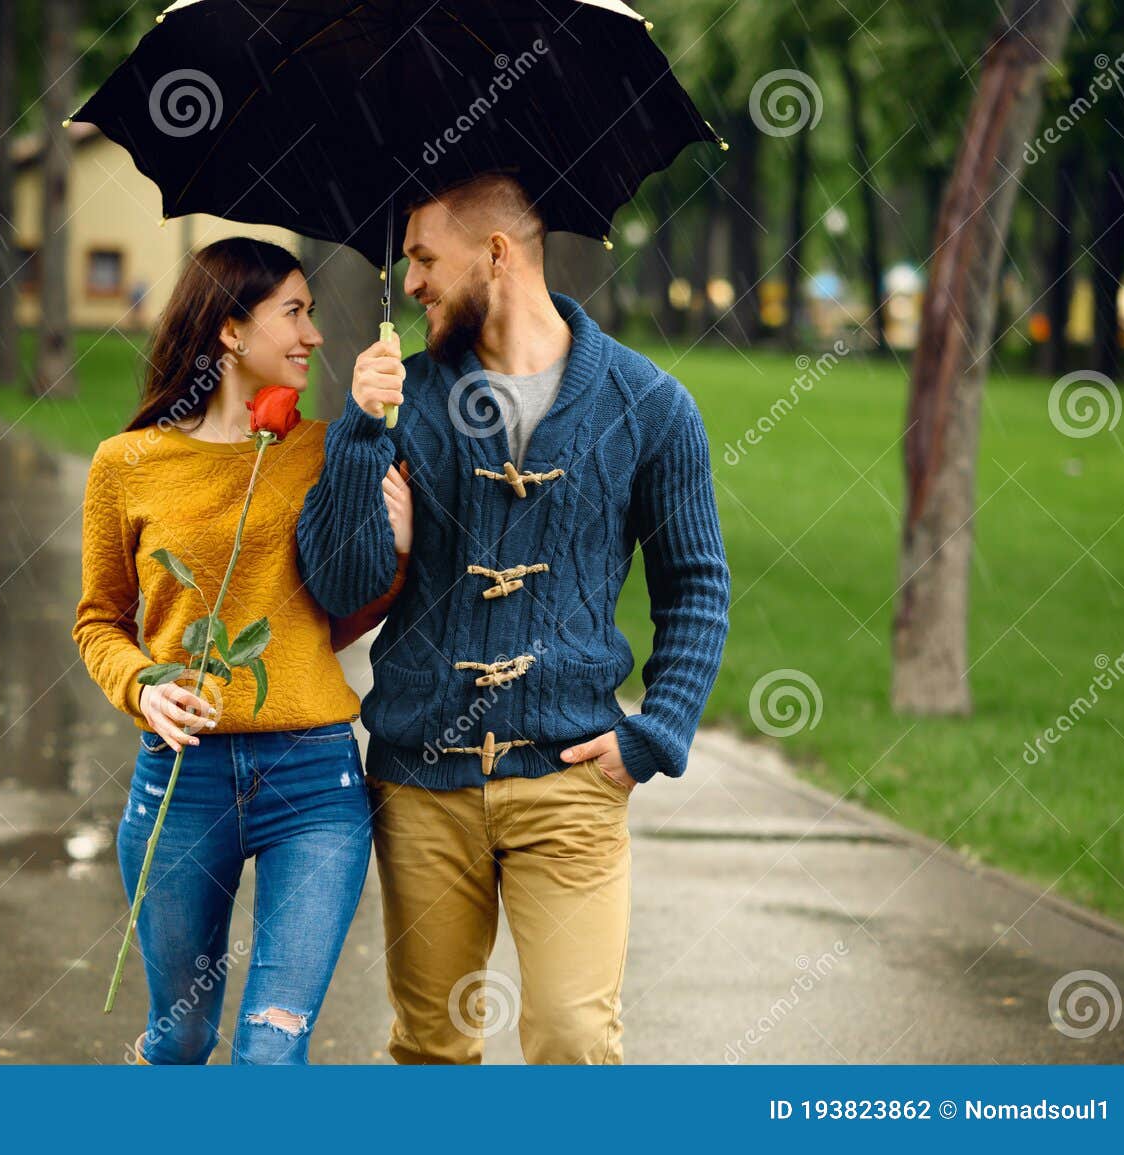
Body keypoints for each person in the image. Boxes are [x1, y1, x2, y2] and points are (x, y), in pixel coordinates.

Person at [296, 172, 731, 1064]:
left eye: (423, 259)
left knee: (575, 1041)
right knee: (432, 1046)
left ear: (496, 253)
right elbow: (341, 585)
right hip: (422, 783)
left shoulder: (650, 407)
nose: (411, 283)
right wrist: (359, 433)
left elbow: (696, 586)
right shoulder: (405, 398)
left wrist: (657, 731)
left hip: (571, 781)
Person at [74, 237, 411, 1065]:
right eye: (292, 313)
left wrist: (393, 556)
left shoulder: (326, 450)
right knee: (183, 1036)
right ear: (230, 330)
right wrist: (144, 685)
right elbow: (98, 620)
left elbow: (329, 614)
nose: (314, 334)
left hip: (313, 776)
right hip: (182, 783)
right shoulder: (128, 465)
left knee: (269, 1049)